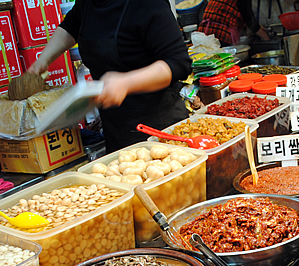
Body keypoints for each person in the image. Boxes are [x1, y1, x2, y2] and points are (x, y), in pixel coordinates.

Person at [28, 0, 191, 152]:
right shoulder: (89, 3)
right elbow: (71, 26)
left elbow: (179, 62)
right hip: (116, 128)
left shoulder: (147, 4)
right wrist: (43, 60)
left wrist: (126, 83)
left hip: (160, 130)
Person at [197, 0, 270, 47]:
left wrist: (257, 27)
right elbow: (247, 16)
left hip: (207, 30)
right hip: (221, 32)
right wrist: (267, 39)